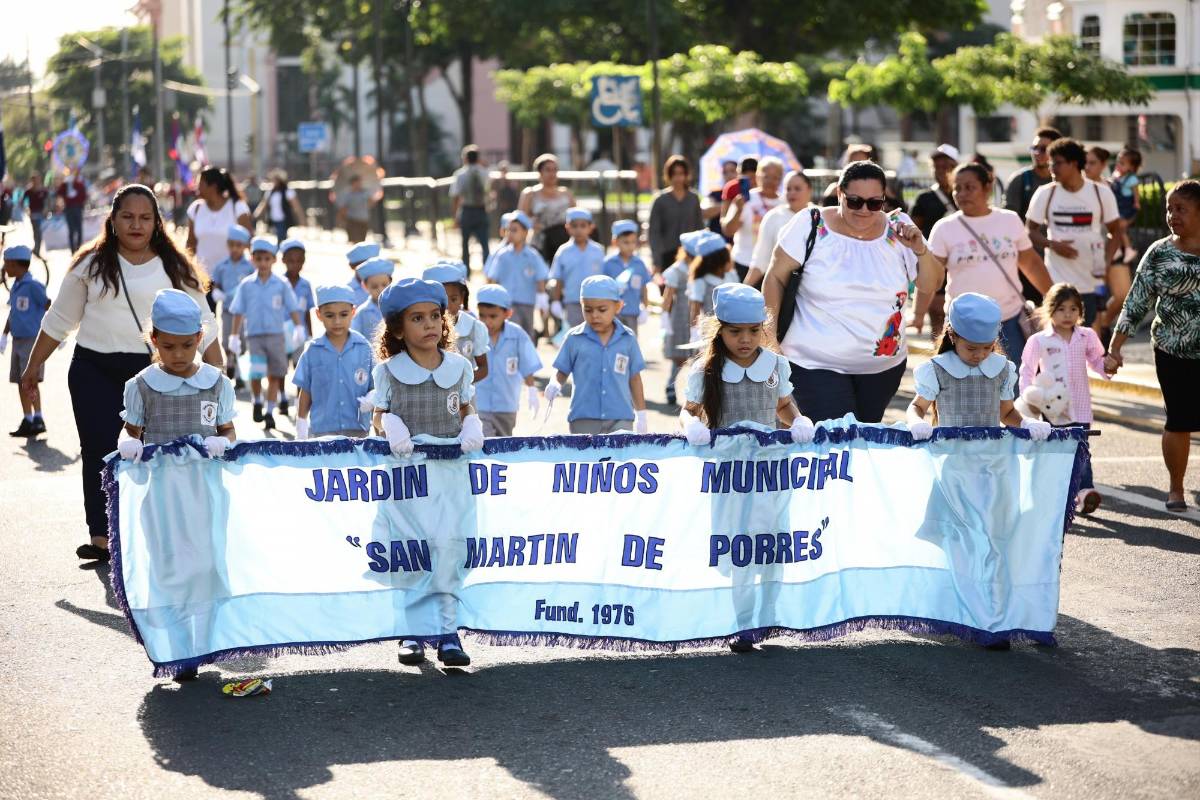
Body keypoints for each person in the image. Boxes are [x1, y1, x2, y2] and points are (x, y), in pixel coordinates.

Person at [22, 184, 220, 561]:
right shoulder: (90, 264)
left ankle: (153, 531)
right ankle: (102, 535)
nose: (136, 225)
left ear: (157, 223)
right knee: (99, 450)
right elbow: (59, 321)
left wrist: (218, 372)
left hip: (155, 374)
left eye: (145, 218)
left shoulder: (175, 266)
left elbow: (205, 323)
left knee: (157, 452)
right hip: (93, 367)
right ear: (112, 221)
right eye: (127, 217)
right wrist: (33, 367)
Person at [115, 288, 235, 682]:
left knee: (206, 562)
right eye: (169, 346)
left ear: (200, 339)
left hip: (205, 493)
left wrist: (223, 442)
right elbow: (131, 430)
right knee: (169, 566)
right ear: (154, 341)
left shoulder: (216, 383)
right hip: (162, 495)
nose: (179, 354)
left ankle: (205, 636)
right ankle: (179, 645)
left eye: (187, 345)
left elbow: (229, 431)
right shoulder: (142, 385)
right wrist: (128, 443)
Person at [764, 161, 940, 424]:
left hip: (882, 371)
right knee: (838, 440)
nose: (864, 210)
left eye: (874, 203)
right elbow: (775, 278)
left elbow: (931, 284)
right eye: (855, 202)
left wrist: (920, 250)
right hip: (814, 364)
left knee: (863, 444)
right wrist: (769, 339)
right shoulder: (810, 224)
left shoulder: (899, 228)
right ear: (839, 195)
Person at [372, 277, 483, 668]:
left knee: (449, 547)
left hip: (451, 476)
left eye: (435, 315)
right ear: (399, 330)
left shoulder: (459, 367)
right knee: (411, 550)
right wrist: (390, 425)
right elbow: (378, 415)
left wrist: (472, 424)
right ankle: (411, 630)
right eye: (417, 318)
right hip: (408, 477)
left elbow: (465, 407)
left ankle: (448, 631)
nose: (429, 324)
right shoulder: (388, 371)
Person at [1106, 180, 1200, 512]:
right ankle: (1176, 488)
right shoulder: (1160, 252)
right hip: (1171, 349)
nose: (1172, 215)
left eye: (1181, 209)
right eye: (1169, 209)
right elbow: (1136, 303)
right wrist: (1115, 348)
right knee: (1179, 418)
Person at [925, 163, 1053, 367]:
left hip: (1008, 321)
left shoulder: (1009, 220)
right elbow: (930, 277)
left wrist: (1053, 300)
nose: (962, 194)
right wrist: (916, 313)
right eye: (958, 188)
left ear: (987, 188)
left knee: (1012, 387)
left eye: (970, 187)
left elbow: (1031, 264)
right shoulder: (944, 228)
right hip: (962, 326)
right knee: (964, 388)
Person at [680, 283, 815, 441]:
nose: (745, 339)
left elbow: (783, 405)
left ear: (762, 327)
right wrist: (691, 424)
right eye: (735, 331)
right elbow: (689, 410)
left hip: (767, 458)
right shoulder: (706, 369)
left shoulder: (775, 365)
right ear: (720, 330)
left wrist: (798, 420)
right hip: (724, 460)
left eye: (754, 330)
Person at [906, 292, 1051, 438]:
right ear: (952, 336)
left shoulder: (1001, 368)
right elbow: (917, 406)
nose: (980, 355)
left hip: (992, 456)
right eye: (971, 348)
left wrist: (1026, 423)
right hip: (952, 455)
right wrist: (916, 421)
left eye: (987, 347)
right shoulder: (938, 369)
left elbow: (1006, 413)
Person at [1019, 283, 1109, 514]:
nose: (1068, 314)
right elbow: (1027, 371)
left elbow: (1097, 361)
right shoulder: (1039, 340)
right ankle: (1054, 494)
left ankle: (1085, 491)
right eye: (1061, 309)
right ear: (1050, 310)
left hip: (1080, 406)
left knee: (1081, 449)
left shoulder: (1086, 336)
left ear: (1080, 311)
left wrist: (1108, 367)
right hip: (1052, 409)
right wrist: (1028, 398)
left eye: (1073, 309)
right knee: (1055, 452)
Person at [1026, 137, 1121, 327]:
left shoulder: (1100, 193)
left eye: (1058, 163)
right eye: (1051, 162)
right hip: (1056, 281)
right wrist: (1053, 245)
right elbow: (1029, 231)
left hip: (1090, 281)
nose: (1051, 167)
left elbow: (1116, 232)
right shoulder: (1046, 193)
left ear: (1074, 163)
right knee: (1058, 334)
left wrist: (1106, 263)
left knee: (1087, 333)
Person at [545, 275, 648, 435]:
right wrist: (554, 383)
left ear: (618, 306)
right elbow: (562, 370)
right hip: (584, 417)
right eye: (588, 309)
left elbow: (634, 379)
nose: (594, 315)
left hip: (620, 417)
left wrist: (641, 415)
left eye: (602, 310)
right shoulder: (574, 338)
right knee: (588, 460)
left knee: (618, 460)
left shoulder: (627, 339)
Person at [226, 237, 305, 430]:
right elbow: (238, 311)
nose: (263, 263)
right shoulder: (246, 285)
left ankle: (270, 411)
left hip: (276, 335)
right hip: (254, 336)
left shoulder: (281, 283)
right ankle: (257, 400)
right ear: (252, 259)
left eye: (267, 259)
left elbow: (293, 306)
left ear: (273, 260)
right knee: (256, 373)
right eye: (259, 258)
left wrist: (299, 327)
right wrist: (234, 335)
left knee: (275, 374)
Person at [293, 284, 375, 440]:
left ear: (353, 312)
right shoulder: (312, 350)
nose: (337, 321)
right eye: (330, 315)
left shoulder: (365, 348)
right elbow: (305, 391)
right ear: (318, 314)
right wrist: (301, 424)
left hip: (358, 430)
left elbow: (376, 385)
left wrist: (372, 397)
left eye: (343, 315)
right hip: (322, 431)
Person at [473, 284, 542, 437]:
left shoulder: (517, 335)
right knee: (484, 442)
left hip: (507, 405)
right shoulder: (475, 334)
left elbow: (527, 365)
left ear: (507, 313)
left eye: (493, 316)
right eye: (482, 316)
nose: (487, 322)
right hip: (480, 404)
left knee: (504, 446)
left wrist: (532, 390)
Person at [908, 145, 961, 335]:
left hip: (963, 261)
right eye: (937, 166)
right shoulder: (925, 198)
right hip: (935, 261)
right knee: (938, 317)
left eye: (947, 166)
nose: (942, 170)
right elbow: (914, 229)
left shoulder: (965, 196)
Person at [2, 244, 50, 436]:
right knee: (20, 382)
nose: (4, 268)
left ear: (16, 265)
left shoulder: (33, 286)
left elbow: (48, 305)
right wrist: (4, 334)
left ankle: (38, 417)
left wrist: (55, 332)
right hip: (17, 340)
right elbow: (13, 312)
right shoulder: (16, 286)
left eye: (6, 264)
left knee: (31, 381)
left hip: (32, 340)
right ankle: (27, 419)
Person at [484, 210, 549, 340]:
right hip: (507, 304)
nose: (510, 233)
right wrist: (491, 298)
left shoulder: (533, 256)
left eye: (515, 230)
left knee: (527, 333)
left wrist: (542, 296)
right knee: (511, 332)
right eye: (508, 230)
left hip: (527, 302)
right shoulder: (502, 255)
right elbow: (493, 278)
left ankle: (527, 358)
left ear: (525, 232)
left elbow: (541, 277)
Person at [423, 260, 489, 381]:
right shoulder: (421, 329)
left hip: (463, 398)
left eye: (453, 299)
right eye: (440, 300)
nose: (447, 306)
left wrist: (462, 382)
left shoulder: (473, 328)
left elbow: (483, 368)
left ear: (462, 298)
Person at [745, 170, 813, 288]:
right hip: (780, 287)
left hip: (813, 288)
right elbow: (760, 259)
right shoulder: (773, 217)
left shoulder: (820, 217)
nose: (792, 193)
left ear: (809, 190)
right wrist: (744, 289)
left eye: (797, 188)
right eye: (788, 189)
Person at [722, 157, 784, 283]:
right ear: (758, 176)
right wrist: (738, 211)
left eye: (776, 177)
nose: (771, 181)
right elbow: (728, 230)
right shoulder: (745, 200)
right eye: (767, 176)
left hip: (773, 269)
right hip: (743, 265)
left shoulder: (785, 204)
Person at [661, 230, 705, 405]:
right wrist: (665, 317)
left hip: (697, 317)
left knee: (698, 355)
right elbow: (668, 295)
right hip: (680, 317)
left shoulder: (701, 269)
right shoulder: (676, 270)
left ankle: (696, 392)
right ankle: (671, 386)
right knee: (680, 356)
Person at [208, 225, 254, 386]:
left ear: (245, 246)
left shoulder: (249, 267)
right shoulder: (222, 266)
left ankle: (240, 370)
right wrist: (217, 292)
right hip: (228, 310)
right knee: (227, 340)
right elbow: (215, 284)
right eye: (232, 244)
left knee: (242, 341)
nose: (235, 249)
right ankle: (233, 367)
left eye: (239, 245)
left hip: (245, 313)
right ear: (228, 244)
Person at [186, 167, 253, 274]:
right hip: (204, 278)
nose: (197, 188)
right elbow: (191, 244)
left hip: (233, 277)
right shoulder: (195, 209)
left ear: (213, 187)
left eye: (200, 184)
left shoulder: (238, 207)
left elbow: (249, 242)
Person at [549, 207, 605, 329]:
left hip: (596, 302)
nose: (579, 230)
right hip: (572, 302)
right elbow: (558, 279)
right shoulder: (563, 251)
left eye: (583, 226)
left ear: (591, 227)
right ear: (567, 227)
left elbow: (605, 277)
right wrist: (556, 301)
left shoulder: (598, 251)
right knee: (575, 334)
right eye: (574, 226)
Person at [648, 155, 703, 272]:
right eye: (674, 174)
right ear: (668, 175)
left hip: (690, 254)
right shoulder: (660, 200)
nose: (678, 178)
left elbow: (699, 227)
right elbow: (654, 232)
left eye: (681, 173)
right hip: (667, 255)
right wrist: (656, 260)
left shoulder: (693, 199)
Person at [518, 154, 576, 264]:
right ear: (539, 172)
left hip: (563, 242)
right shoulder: (530, 194)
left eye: (554, 170)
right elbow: (521, 220)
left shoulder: (566, 193)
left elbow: (576, 217)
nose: (552, 174)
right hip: (540, 243)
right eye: (548, 170)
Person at [1005, 126, 1062, 223]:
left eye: (1044, 149)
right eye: (1034, 148)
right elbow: (1008, 221)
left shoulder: (1065, 182)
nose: (1037, 153)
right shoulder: (1019, 180)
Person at [604, 219, 652, 333]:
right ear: (615, 242)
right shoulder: (608, 263)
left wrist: (645, 307)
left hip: (632, 312)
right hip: (613, 313)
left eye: (633, 242)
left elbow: (643, 288)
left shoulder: (639, 264)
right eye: (626, 242)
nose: (630, 246)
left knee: (630, 342)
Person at [450, 145, 491, 270]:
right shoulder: (484, 172)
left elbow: (456, 196)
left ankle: (466, 270)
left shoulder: (460, 174)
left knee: (465, 243)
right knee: (484, 244)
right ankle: (488, 269)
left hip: (467, 210)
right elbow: (488, 191)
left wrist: (455, 216)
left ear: (465, 158)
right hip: (481, 210)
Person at [688, 230, 738, 328]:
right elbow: (695, 308)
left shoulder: (732, 276)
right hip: (710, 330)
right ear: (719, 262)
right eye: (728, 258)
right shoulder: (701, 282)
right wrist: (693, 330)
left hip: (732, 327)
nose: (731, 261)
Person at [280, 237, 316, 366]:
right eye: (291, 261)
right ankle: (280, 387)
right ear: (283, 260)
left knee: (299, 365)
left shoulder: (306, 285)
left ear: (304, 261)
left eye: (299, 261)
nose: (295, 265)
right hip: (281, 332)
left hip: (300, 333)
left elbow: (307, 312)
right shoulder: (278, 283)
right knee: (281, 366)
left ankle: (298, 388)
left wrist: (311, 335)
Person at [350, 257, 394, 343]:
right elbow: (355, 336)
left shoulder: (397, 307)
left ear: (391, 283)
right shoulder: (362, 312)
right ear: (364, 286)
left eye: (384, 285)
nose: (380, 290)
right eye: (374, 286)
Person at [259, 171, 304, 243]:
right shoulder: (270, 192)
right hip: (273, 219)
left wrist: (301, 218)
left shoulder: (287, 191)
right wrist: (256, 214)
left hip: (283, 219)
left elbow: (296, 206)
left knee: (281, 238)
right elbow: (264, 204)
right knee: (276, 237)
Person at [55, 170, 89, 254]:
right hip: (69, 209)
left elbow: (84, 196)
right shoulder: (65, 185)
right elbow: (58, 193)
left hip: (77, 209)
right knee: (71, 230)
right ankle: (73, 250)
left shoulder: (80, 184)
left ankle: (78, 248)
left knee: (79, 229)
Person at [335, 173, 374, 244]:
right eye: (357, 182)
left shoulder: (365, 192)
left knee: (362, 241)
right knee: (354, 241)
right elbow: (343, 208)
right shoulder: (348, 194)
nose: (359, 184)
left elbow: (371, 203)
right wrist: (340, 219)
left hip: (363, 219)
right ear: (353, 183)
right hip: (352, 220)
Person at [704, 160, 738, 237]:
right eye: (725, 172)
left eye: (732, 171)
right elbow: (704, 212)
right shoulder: (714, 194)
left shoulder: (746, 194)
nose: (729, 175)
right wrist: (731, 204)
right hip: (717, 242)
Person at [21, 175, 50, 259]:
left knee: (39, 232)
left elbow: (48, 200)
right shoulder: (29, 191)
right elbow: (22, 201)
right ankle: (36, 248)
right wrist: (26, 209)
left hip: (41, 213)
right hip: (33, 213)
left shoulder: (43, 190)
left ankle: (37, 248)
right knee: (36, 231)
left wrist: (46, 209)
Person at [345, 241, 381, 306]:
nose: (370, 269)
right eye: (364, 266)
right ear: (353, 266)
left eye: (374, 265)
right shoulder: (347, 291)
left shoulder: (385, 286)